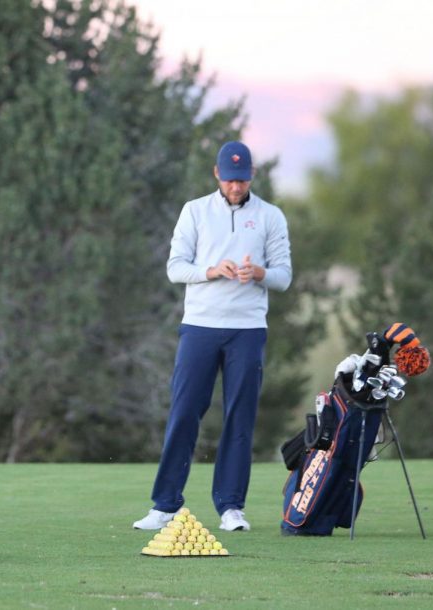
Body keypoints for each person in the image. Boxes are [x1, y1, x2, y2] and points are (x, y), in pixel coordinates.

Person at [133, 141, 292, 532]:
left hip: (248, 330)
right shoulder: (195, 211)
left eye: (242, 180)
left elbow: (284, 276)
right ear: (217, 174)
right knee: (185, 412)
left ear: (251, 175)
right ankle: (165, 504)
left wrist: (258, 275)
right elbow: (175, 268)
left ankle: (231, 507)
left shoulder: (270, 216)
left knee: (240, 417)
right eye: (230, 179)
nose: (236, 187)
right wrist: (211, 270)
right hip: (201, 326)